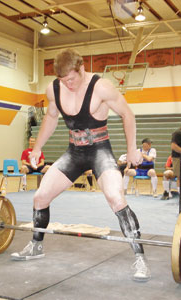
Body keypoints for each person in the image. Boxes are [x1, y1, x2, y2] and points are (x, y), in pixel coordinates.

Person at [10, 49, 150, 282]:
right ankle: (36, 247)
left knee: (116, 198)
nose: (68, 84)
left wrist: (133, 148)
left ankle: (140, 258)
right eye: (63, 80)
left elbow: (128, 114)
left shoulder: (101, 86)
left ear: (81, 68)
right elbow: (51, 118)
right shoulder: (54, 89)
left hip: (100, 152)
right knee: (40, 197)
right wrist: (36, 148)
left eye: (72, 79)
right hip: (74, 153)